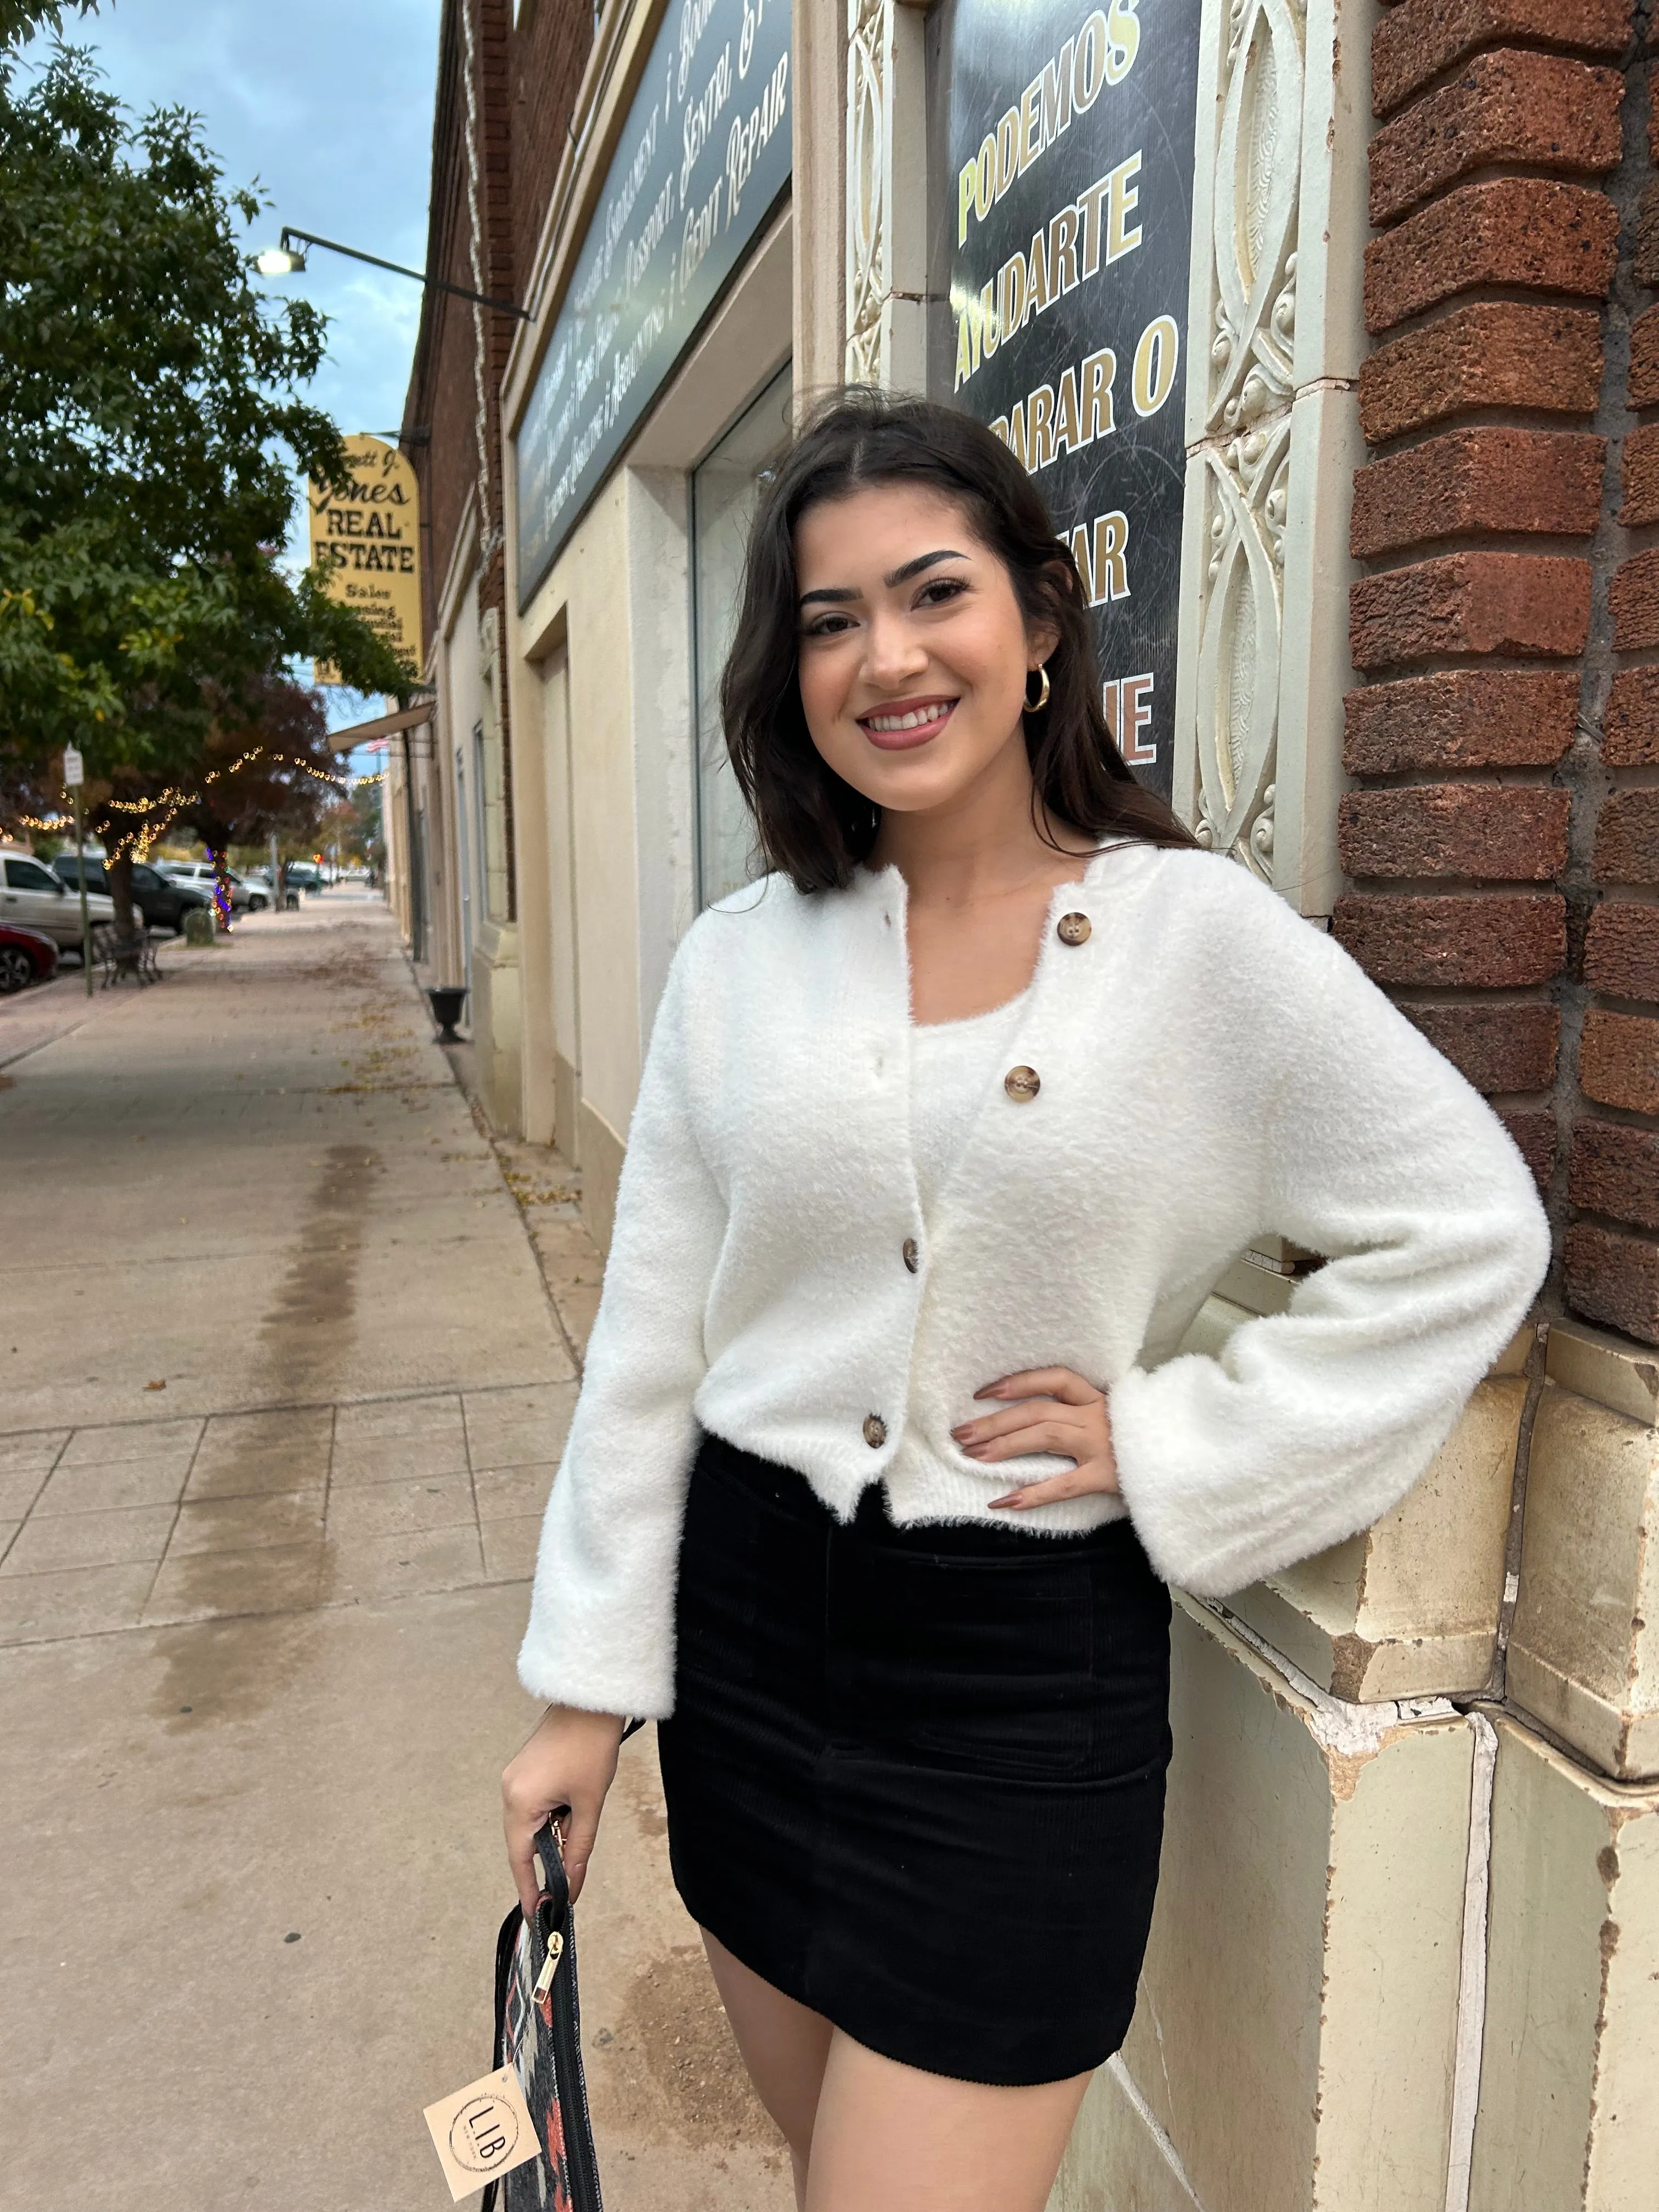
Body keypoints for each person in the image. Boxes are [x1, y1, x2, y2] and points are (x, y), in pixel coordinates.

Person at [503, 389, 1548, 2211]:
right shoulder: (738, 965)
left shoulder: (1195, 946)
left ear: (1039, 623)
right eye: (830, 622)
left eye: (934, 595)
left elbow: (1467, 1228)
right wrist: (583, 1701)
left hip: (1016, 1696)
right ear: (788, 670)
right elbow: (652, 1349)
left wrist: (1174, 1438)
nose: (886, 660)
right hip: (746, 1646)